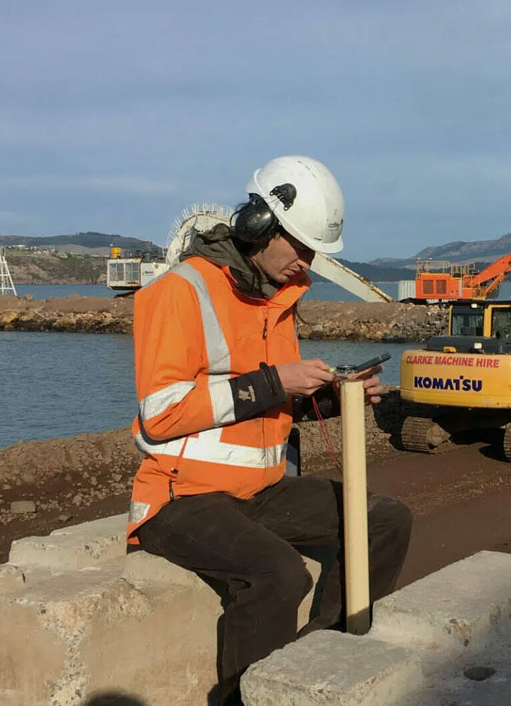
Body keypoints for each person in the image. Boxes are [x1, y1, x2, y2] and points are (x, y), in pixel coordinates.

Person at [125, 155, 413, 706]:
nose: (306, 263)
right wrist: (274, 381)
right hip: (180, 498)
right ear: (260, 225)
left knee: (386, 522)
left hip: (261, 491)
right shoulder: (179, 291)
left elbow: (272, 407)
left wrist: (330, 394)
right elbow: (161, 412)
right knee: (278, 574)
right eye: (301, 247)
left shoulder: (277, 298)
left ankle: (315, 665)